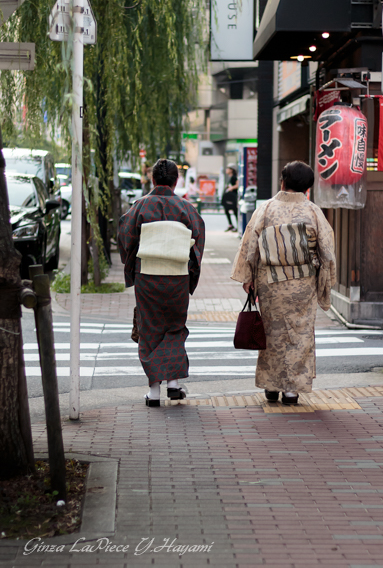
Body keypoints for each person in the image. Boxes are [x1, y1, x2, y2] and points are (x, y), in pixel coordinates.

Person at [230, 160, 336, 405]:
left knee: (271, 333)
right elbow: (327, 250)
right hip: (303, 283)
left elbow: (250, 244)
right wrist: (325, 281)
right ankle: (291, 390)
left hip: (270, 282)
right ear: (307, 188)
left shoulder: (266, 209)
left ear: (283, 181)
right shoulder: (312, 211)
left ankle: (271, 385)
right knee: (300, 333)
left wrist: (248, 277)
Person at [118, 158, 205, 407]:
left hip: (148, 275)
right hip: (178, 275)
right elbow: (197, 244)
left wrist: (133, 265)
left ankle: (154, 392)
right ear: (176, 181)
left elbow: (126, 238)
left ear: (153, 179)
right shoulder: (187, 209)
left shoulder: (140, 207)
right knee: (175, 326)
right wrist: (190, 273)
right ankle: (174, 384)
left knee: (150, 328)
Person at [221, 164, 238, 232]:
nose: (226, 170)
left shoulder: (234, 177)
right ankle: (231, 225)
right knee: (227, 210)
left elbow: (237, 185)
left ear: (231, 170)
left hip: (232, 197)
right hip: (229, 197)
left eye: (228, 168)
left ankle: (237, 226)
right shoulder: (230, 177)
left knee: (234, 211)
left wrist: (231, 188)